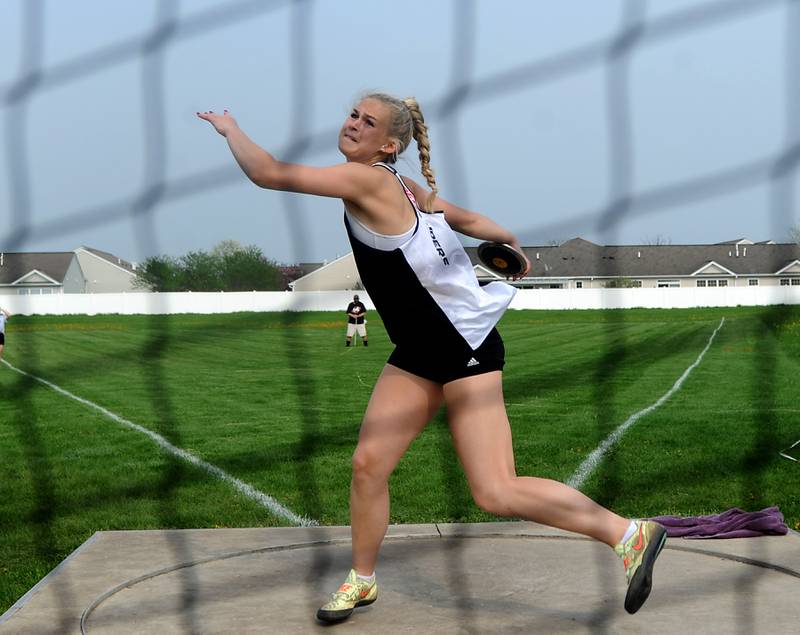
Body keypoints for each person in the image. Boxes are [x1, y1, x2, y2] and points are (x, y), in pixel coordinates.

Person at [197, 93, 666, 623]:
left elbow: (267, 172)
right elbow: (462, 216)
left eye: (367, 121)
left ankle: (629, 534)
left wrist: (230, 128)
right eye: (352, 114)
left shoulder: (369, 179)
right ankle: (363, 579)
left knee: (495, 490)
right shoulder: (405, 187)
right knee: (369, 466)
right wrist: (506, 241)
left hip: (461, 345)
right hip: (419, 349)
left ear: (389, 144)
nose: (352, 124)